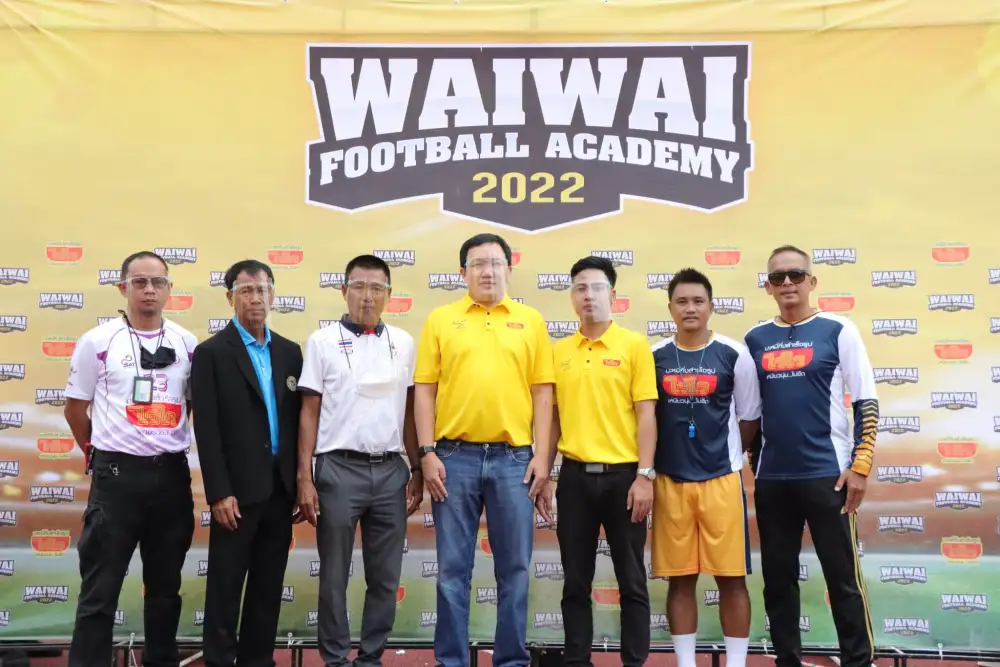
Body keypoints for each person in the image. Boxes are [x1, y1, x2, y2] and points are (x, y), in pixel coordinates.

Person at [414, 233, 554, 667]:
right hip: (452, 458)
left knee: (514, 569)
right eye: (478, 264)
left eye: (495, 262)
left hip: (515, 460)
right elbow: (424, 390)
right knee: (452, 570)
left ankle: (510, 660)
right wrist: (426, 452)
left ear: (509, 268)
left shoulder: (530, 320)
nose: (487, 271)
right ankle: (452, 660)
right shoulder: (441, 319)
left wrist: (543, 458)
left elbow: (543, 393)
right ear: (463, 272)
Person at [63, 250, 198, 667]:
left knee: (165, 591)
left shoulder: (187, 343)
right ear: (123, 287)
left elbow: (192, 407)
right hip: (116, 480)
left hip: (170, 479)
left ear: (169, 289)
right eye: (139, 282)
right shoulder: (98, 341)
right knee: (99, 591)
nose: (149, 290)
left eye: (158, 282)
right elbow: (75, 409)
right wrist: (97, 453)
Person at [745, 245, 878, 667]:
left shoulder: (838, 329)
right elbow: (749, 413)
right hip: (773, 482)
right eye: (778, 277)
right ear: (768, 287)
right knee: (777, 583)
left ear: (812, 282)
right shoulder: (754, 338)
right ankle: (787, 660)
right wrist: (755, 467)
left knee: (843, 581)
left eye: (796, 275)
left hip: (828, 477)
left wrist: (860, 467)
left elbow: (866, 400)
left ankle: (858, 661)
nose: (787, 283)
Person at [296, 254, 423, 667]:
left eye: (376, 288)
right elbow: (309, 412)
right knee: (334, 575)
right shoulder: (322, 342)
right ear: (344, 290)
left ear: (389, 294)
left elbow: (409, 413)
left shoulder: (403, 343)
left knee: (385, 577)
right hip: (337, 470)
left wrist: (416, 467)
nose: (367, 296)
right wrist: (305, 477)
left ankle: (370, 658)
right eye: (359, 287)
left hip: (390, 471)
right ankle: (335, 658)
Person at [537, 256, 657, 667]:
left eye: (597, 287)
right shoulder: (559, 352)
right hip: (574, 479)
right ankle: (577, 661)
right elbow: (553, 418)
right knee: (575, 581)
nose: (589, 295)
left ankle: (634, 662)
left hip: (625, 478)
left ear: (614, 295)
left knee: (632, 580)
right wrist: (545, 472)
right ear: (572, 297)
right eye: (581, 288)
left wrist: (645, 476)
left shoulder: (634, 346)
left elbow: (646, 415)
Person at [191, 259, 304, 667]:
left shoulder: (290, 352)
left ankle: (258, 659)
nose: (256, 298)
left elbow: (298, 423)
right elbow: (206, 429)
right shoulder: (211, 353)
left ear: (273, 295)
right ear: (230, 298)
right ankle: (220, 660)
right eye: (246, 291)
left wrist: (300, 482)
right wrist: (219, 492)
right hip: (235, 493)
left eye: (263, 289)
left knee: (267, 586)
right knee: (225, 586)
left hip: (279, 489)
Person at [649, 268, 761, 667]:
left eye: (698, 301)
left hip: (721, 480)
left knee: (731, 579)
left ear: (711, 306)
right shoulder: (654, 356)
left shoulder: (734, 354)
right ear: (670, 308)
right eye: (682, 301)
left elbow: (749, 417)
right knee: (680, 580)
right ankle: (685, 663)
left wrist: (725, 455)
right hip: (670, 480)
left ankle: (736, 663)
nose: (690, 308)